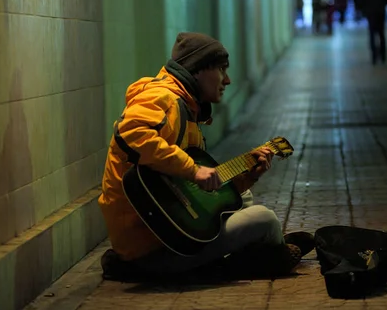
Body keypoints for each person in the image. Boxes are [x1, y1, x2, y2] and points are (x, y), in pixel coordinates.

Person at [98, 32, 314, 281]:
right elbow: (130, 132)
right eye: (222, 69)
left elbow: (194, 191)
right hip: (154, 248)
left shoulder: (186, 107)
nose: (228, 80)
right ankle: (265, 252)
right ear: (197, 69)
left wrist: (247, 176)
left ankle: (261, 246)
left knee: (242, 196)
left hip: (166, 230)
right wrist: (193, 169)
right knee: (264, 219)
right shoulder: (163, 98)